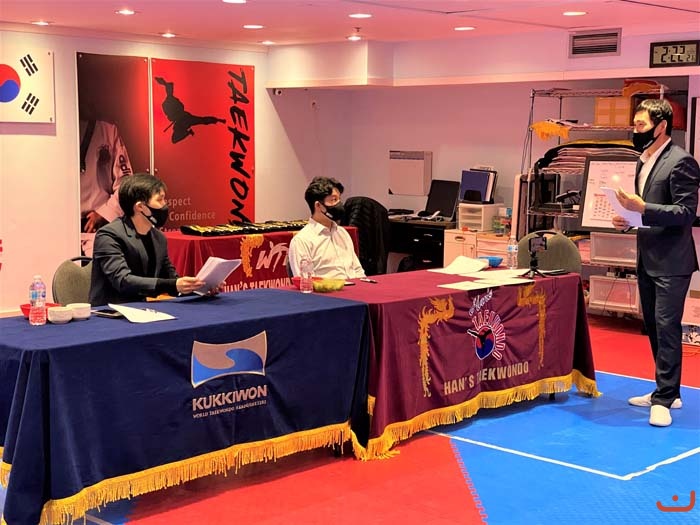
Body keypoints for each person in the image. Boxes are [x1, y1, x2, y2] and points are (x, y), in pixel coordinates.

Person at [612, 98, 700, 427]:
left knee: (667, 326)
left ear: (661, 126)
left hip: (673, 262)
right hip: (647, 256)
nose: (635, 130)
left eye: (641, 125)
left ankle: (664, 398)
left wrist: (644, 208)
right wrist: (629, 218)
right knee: (652, 325)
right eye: (634, 124)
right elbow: (646, 212)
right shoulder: (644, 161)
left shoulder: (682, 161)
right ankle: (667, 390)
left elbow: (686, 212)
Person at [89, 173, 212, 306]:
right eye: (160, 200)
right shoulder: (108, 235)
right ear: (140, 207)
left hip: (141, 309)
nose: (165, 205)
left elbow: (171, 280)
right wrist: (174, 285)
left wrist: (200, 287)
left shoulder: (158, 238)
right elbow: (123, 281)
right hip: (109, 311)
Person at [288, 177, 366, 279]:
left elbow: (357, 270)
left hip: (355, 286)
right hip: (327, 288)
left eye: (339, 199)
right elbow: (306, 281)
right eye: (334, 200)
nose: (339, 204)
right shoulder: (302, 240)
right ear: (318, 205)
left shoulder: (342, 233)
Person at [79, 116, 133, 257]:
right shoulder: (55, 132)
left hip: (98, 226)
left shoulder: (108, 131)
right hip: (61, 226)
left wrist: (103, 213)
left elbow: (126, 185)